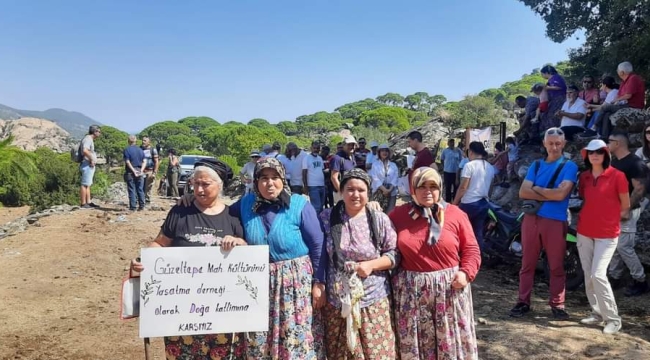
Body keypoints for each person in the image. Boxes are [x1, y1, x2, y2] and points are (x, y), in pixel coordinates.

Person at [129, 159, 249, 359]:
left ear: (219, 186)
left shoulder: (233, 216)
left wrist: (238, 243)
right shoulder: (180, 212)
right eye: (195, 184)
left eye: (205, 184)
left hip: (221, 310)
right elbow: (160, 243)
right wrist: (143, 260)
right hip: (180, 309)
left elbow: (247, 255)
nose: (199, 190)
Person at [233, 157, 326, 359]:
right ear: (256, 181)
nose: (269, 183)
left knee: (295, 337)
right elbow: (219, 216)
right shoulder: (244, 204)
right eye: (263, 178)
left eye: (275, 177)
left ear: (283, 179)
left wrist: (319, 283)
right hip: (259, 284)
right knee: (259, 338)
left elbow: (318, 245)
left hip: (295, 285)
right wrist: (190, 202)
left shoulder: (299, 205)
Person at [390, 166, 481, 360]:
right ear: (413, 189)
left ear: (440, 188)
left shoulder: (456, 214)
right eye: (421, 186)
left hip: (448, 291)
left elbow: (471, 250)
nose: (427, 191)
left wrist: (466, 273)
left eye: (433, 186)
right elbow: (382, 242)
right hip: (411, 293)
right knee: (415, 346)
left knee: (448, 342)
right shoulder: (397, 216)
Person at [319, 168, 399, 359]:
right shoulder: (326, 218)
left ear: (368, 193)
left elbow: (394, 254)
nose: (355, 195)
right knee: (342, 351)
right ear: (341, 191)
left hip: (373, 295)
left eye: (361, 190)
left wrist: (372, 265)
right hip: (337, 298)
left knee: (377, 350)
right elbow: (318, 253)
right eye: (350, 189)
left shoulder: (379, 220)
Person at [510, 127, 578, 319]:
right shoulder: (537, 165)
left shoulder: (569, 166)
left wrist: (537, 189)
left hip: (555, 221)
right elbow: (523, 192)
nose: (554, 147)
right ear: (544, 144)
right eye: (551, 143)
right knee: (527, 263)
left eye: (558, 143)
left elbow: (562, 194)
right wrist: (551, 194)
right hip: (531, 219)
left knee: (556, 265)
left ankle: (558, 304)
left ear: (564, 144)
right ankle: (523, 302)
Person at [577, 139, 628, 335]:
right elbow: (585, 199)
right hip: (585, 231)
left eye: (599, 151)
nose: (595, 155)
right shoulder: (584, 177)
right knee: (589, 275)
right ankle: (597, 313)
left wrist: (610, 221)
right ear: (587, 156)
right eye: (591, 152)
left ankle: (613, 319)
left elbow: (625, 206)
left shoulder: (618, 176)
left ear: (606, 154)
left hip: (607, 234)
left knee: (598, 274)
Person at [607, 130, 649, 296]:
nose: (607, 144)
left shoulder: (634, 163)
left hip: (628, 211)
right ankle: (614, 277)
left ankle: (641, 281)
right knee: (616, 246)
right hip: (615, 210)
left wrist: (626, 209)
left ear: (617, 144)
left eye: (609, 141)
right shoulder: (616, 162)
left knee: (624, 246)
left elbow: (639, 189)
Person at [585, 61, 646, 139]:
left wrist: (615, 101)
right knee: (607, 113)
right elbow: (619, 95)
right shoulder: (624, 81)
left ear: (622, 72)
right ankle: (604, 137)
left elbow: (628, 95)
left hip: (633, 106)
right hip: (625, 104)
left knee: (605, 107)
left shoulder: (633, 78)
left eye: (618, 70)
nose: (617, 71)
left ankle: (594, 128)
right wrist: (615, 101)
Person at [453, 141, 495, 250]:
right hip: (484, 203)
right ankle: (477, 258)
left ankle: (460, 255)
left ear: (470, 152)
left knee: (460, 230)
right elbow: (490, 189)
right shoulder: (490, 167)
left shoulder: (469, 166)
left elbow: (463, 188)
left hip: (469, 203)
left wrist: (454, 203)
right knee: (478, 233)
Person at [369, 144, 399, 213]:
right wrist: (384, 190)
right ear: (379, 153)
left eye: (386, 151)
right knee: (377, 212)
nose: (384, 152)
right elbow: (375, 178)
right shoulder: (375, 165)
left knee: (390, 213)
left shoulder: (393, 165)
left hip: (391, 191)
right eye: (382, 151)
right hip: (378, 191)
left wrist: (389, 190)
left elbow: (395, 178)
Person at [540, 65, 567, 132]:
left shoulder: (556, 78)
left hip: (559, 98)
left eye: (542, 74)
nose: (542, 76)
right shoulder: (552, 79)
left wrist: (547, 88)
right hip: (554, 99)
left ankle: (555, 132)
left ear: (546, 72)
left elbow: (559, 87)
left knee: (553, 116)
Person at [331, 136, 358, 204]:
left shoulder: (352, 157)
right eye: (349, 144)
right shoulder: (337, 158)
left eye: (353, 144)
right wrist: (342, 192)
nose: (351, 146)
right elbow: (334, 177)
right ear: (343, 145)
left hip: (350, 191)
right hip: (341, 193)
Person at [79, 125, 101, 209]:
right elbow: (85, 150)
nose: (99, 133)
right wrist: (92, 159)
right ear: (94, 132)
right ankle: (83, 203)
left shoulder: (89, 139)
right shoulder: (88, 139)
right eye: (99, 131)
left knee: (88, 184)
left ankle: (88, 202)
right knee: (84, 184)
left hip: (88, 165)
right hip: (87, 164)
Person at [123, 135, 146, 211]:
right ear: (136, 141)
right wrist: (141, 171)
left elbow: (127, 162)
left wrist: (133, 171)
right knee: (140, 189)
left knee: (132, 189)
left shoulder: (127, 150)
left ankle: (133, 207)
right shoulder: (140, 150)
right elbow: (144, 161)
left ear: (128, 141)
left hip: (130, 172)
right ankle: (142, 206)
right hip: (139, 170)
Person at [303, 141, 326, 213]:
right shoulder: (306, 158)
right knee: (316, 207)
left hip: (322, 185)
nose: (316, 149)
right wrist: (305, 186)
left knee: (321, 206)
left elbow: (321, 171)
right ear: (311, 148)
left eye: (318, 148)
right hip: (313, 186)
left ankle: (321, 222)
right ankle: (315, 223)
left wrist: (324, 184)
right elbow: (304, 173)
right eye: (314, 148)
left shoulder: (320, 158)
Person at [140, 136, 159, 203]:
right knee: (140, 187)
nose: (143, 142)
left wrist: (154, 172)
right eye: (142, 140)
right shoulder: (140, 149)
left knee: (148, 188)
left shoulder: (153, 150)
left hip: (150, 171)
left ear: (149, 142)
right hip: (141, 171)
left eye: (145, 140)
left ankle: (147, 201)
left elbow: (156, 161)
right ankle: (140, 201)